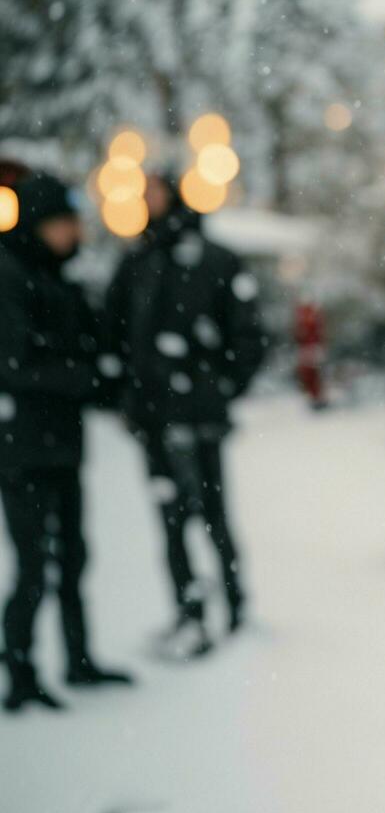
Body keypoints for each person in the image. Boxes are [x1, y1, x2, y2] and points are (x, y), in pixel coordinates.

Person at [102, 173, 266, 658]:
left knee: (213, 515)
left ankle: (234, 605)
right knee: (172, 520)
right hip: (154, 414)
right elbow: (113, 331)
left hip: (198, 412)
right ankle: (188, 611)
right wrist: (128, 393)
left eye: (156, 192)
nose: (149, 200)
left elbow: (248, 333)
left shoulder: (212, 260)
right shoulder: (137, 261)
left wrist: (220, 387)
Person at [0, 171, 133, 712]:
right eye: (62, 223)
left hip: (60, 442)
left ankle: (78, 658)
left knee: (73, 556)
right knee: (34, 561)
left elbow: (86, 350)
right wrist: (81, 376)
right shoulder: (9, 276)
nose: (72, 234)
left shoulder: (59, 279)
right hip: (23, 445)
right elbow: (13, 365)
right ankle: (22, 671)